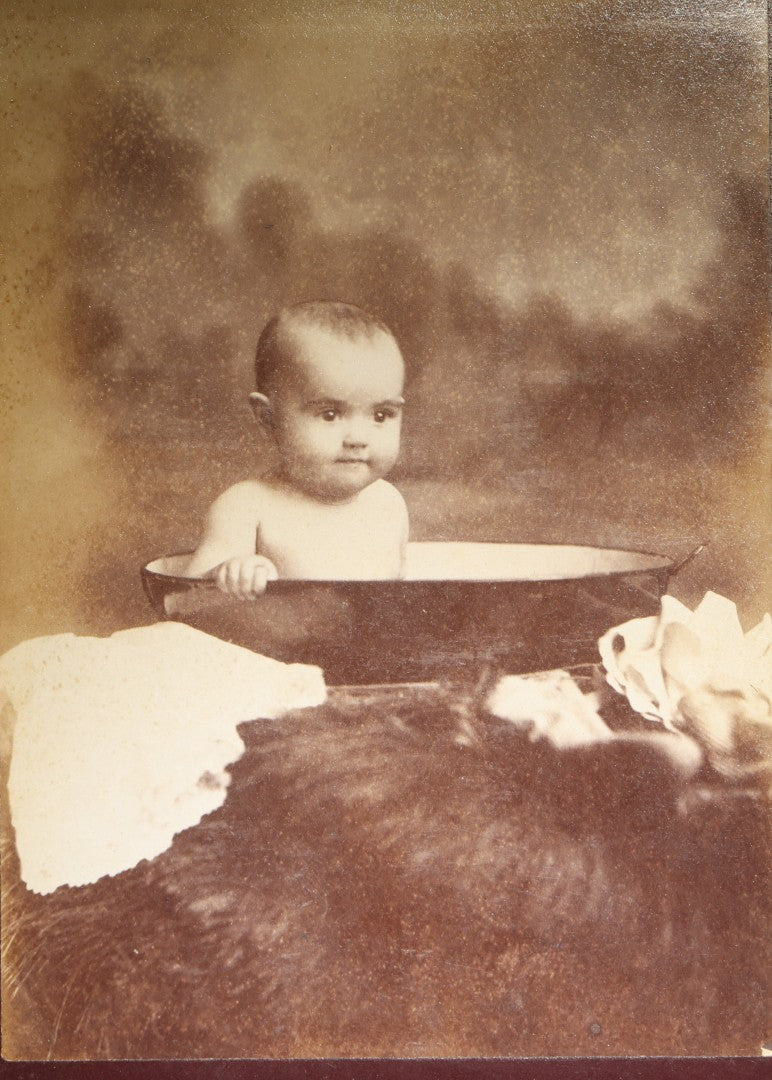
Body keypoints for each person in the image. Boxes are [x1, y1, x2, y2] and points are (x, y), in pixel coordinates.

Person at [186, 301, 408, 598]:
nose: (358, 438)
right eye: (329, 414)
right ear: (268, 417)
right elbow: (187, 596)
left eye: (381, 415)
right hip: (262, 643)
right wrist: (229, 572)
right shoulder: (246, 507)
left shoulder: (389, 503)